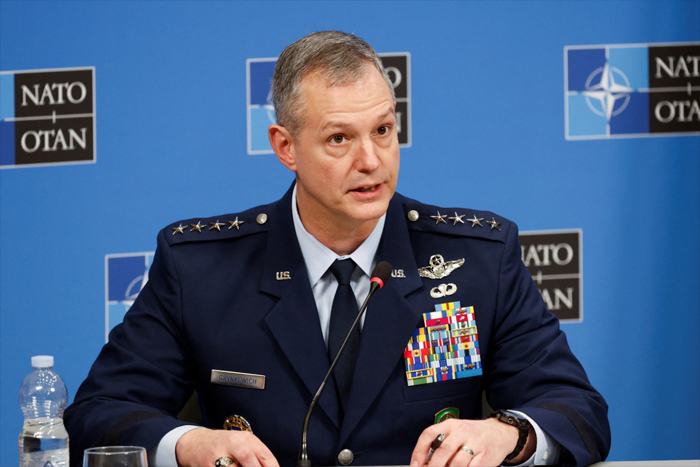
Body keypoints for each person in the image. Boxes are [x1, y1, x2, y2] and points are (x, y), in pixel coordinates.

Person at [65, 31, 610, 467]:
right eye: (339, 138)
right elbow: (98, 412)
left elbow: (578, 411)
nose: (371, 161)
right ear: (285, 147)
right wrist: (189, 444)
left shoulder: (479, 259)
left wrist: (509, 434)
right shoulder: (200, 268)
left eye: (383, 130)